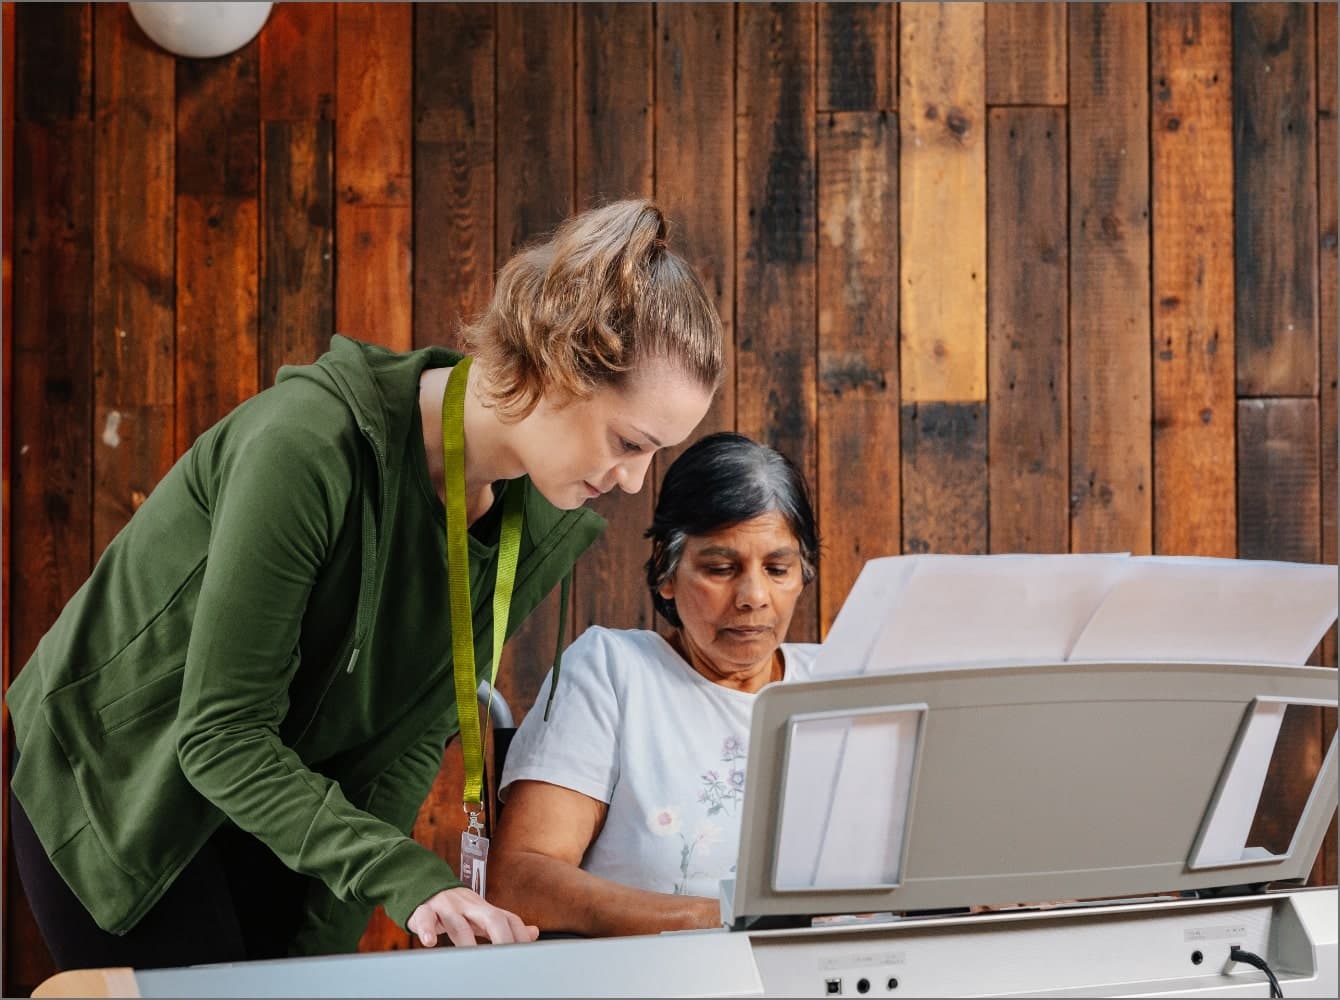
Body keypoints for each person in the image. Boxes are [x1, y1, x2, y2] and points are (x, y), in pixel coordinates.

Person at [6, 199, 723, 969]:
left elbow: (408, 740)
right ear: (559, 363)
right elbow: (219, 736)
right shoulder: (306, 446)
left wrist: (323, 957)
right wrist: (412, 882)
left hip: (274, 795)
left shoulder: (545, 519)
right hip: (122, 777)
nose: (633, 480)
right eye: (630, 442)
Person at [487, 432, 820, 937]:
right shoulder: (614, 673)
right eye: (721, 568)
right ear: (667, 570)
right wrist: (723, 921)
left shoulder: (841, 681)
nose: (754, 596)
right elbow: (520, 881)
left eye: (778, 569)